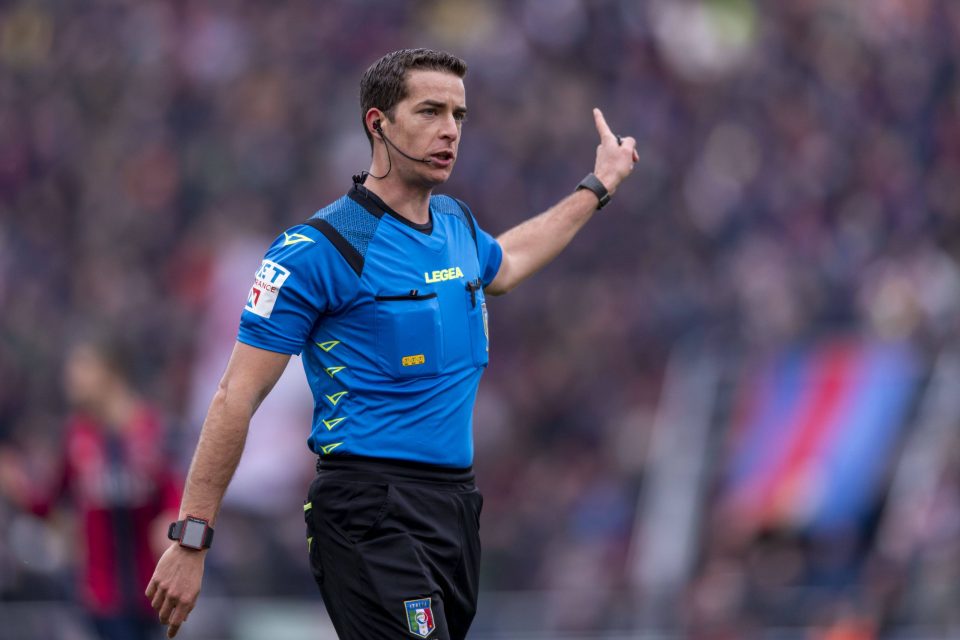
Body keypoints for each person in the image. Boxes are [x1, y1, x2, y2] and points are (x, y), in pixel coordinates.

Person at [146, 48, 638, 640]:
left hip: (454, 509)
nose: (450, 130)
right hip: (368, 511)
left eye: (459, 115)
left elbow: (508, 263)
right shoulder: (318, 250)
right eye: (430, 111)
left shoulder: (455, 224)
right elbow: (235, 396)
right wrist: (191, 538)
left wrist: (598, 185)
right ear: (377, 123)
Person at [1, 338, 181, 640]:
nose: (71, 377)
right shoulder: (77, 437)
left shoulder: (153, 432)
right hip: (98, 599)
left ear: (109, 372)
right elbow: (47, 503)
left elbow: (177, 498)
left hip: (153, 594)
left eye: (81, 367)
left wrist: (172, 526)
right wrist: (17, 485)